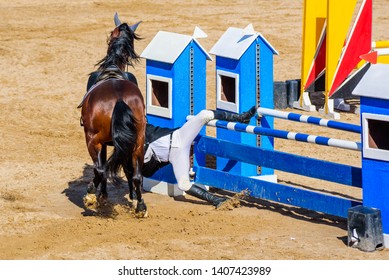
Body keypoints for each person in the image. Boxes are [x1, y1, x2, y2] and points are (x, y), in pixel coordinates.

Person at [142, 106, 258, 208]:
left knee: (204, 114)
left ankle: (242, 118)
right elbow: (145, 171)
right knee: (183, 184)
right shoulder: (138, 149)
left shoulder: (145, 128)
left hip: (180, 137)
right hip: (176, 156)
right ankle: (216, 200)